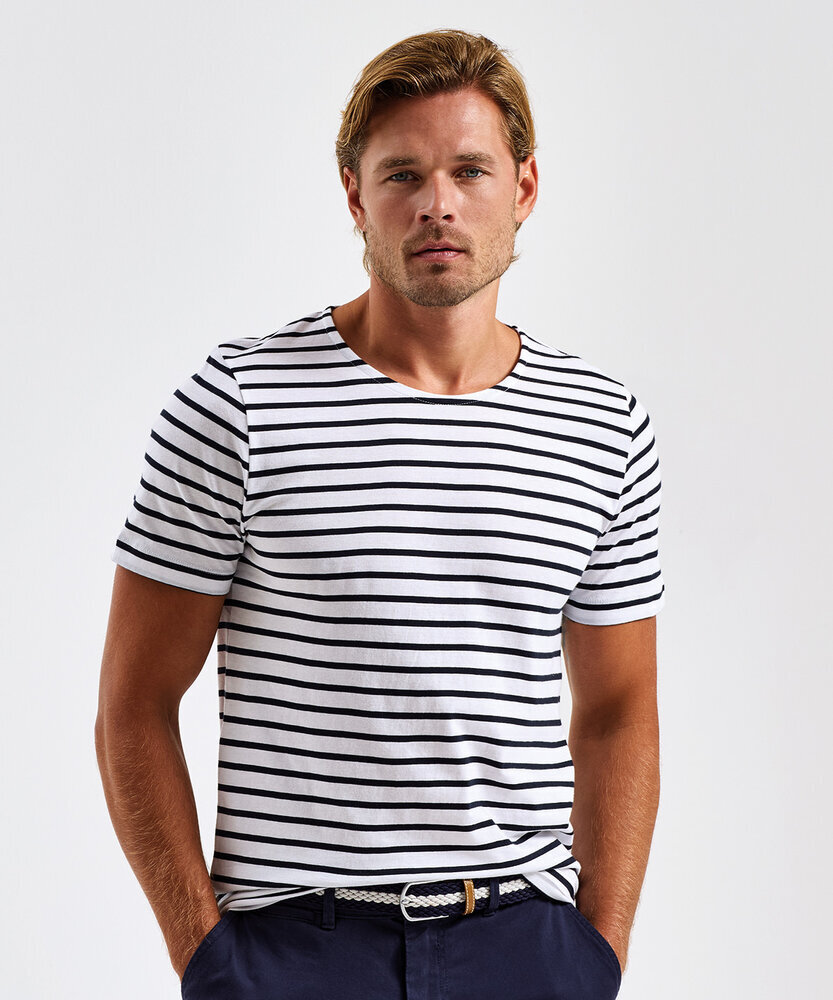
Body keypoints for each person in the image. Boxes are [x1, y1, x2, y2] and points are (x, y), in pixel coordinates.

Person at [96, 28, 665, 1000]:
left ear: (523, 187)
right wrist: (209, 960)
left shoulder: (600, 424)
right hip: (295, 949)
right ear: (356, 197)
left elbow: (619, 710)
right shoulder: (240, 404)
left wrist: (594, 955)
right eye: (402, 174)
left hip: (524, 946)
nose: (437, 202)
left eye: (469, 170)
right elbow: (132, 703)